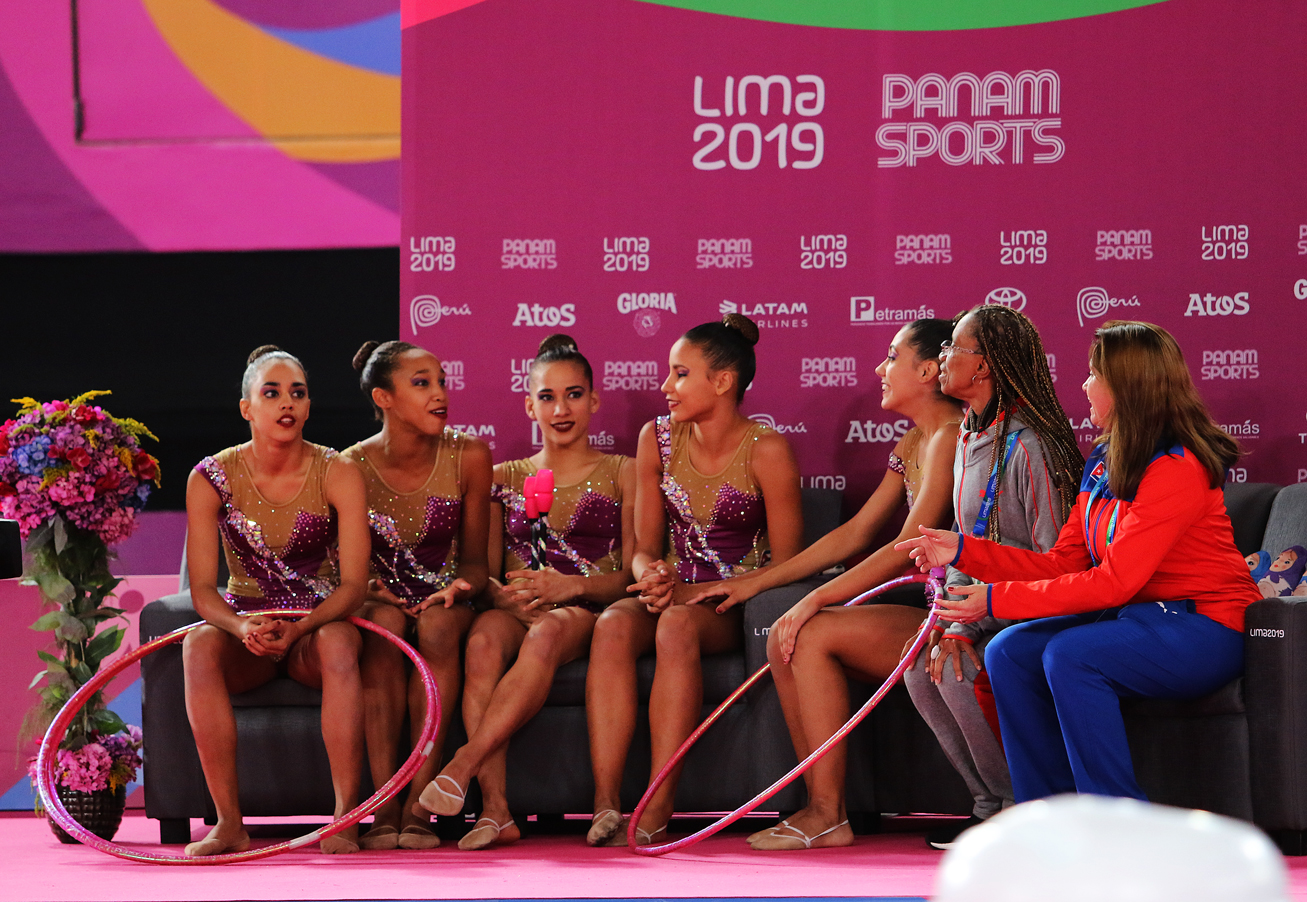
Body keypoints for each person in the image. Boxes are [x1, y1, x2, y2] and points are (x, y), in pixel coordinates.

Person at [898, 320, 1257, 805]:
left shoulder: (1177, 467)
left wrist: (994, 598)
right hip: (1138, 619)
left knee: (1071, 654)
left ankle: (1113, 822)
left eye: (1094, 375)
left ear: (1127, 386)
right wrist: (962, 550)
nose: (1084, 385)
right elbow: (1063, 562)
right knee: (1007, 652)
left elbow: (1113, 584)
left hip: (1207, 626)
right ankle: (1047, 817)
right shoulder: (1107, 457)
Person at [681, 318, 963, 851]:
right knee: (789, 637)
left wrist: (814, 598)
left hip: (962, 618)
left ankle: (828, 813)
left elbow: (905, 546)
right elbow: (856, 533)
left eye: (891, 357)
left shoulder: (950, 435)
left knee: (805, 633)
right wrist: (756, 583)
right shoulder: (914, 440)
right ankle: (824, 811)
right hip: (934, 610)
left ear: (927, 370)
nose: (880, 369)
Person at [586, 314, 804, 846]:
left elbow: (792, 562)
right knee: (614, 623)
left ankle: (657, 807)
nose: (665, 387)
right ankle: (606, 804)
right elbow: (641, 549)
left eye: (680, 374)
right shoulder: (656, 439)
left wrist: (701, 593)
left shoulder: (766, 448)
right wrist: (651, 575)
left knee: (678, 626)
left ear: (723, 382)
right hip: (672, 592)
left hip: (732, 603)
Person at [414, 335, 634, 850]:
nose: (561, 409)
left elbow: (629, 575)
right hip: (514, 609)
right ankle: (496, 811)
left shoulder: (622, 471)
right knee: (484, 642)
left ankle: (462, 764)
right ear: (529, 404)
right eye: (548, 397)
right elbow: (482, 570)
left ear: (594, 400)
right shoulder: (502, 478)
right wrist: (498, 597)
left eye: (575, 395)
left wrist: (572, 585)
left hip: (583, 607)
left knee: (550, 630)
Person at [901, 303, 1083, 850]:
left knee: (956, 669)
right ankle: (986, 806)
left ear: (983, 368)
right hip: (980, 603)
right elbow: (966, 542)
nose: (942, 358)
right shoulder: (966, 437)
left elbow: (1057, 566)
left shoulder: (1030, 446)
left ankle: (1016, 810)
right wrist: (949, 612)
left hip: (1037, 604)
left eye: (954, 347)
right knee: (919, 667)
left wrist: (975, 618)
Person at [181, 346, 370, 856]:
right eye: (272, 393)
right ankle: (228, 823)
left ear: (308, 408)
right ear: (247, 408)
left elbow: (354, 584)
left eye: (297, 393)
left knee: (337, 641)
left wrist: (303, 626)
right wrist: (241, 628)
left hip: (316, 624)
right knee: (197, 646)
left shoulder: (338, 471)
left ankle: (345, 817)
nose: (286, 404)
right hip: (252, 632)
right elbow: (202, 590)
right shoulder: (209, 478)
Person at [343, 340, 491, 850]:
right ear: (383, 398)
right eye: (422, 383)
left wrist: (459, 586)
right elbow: (338, 566)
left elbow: (476, 561)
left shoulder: (469, 455)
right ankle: (384, 804)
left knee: (438, 626)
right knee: (381, 627)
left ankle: (418, 805)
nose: (440, 394)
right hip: (378, 602)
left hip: (444, 600)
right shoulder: (349, 467)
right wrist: (365, 588)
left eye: (442, 382)